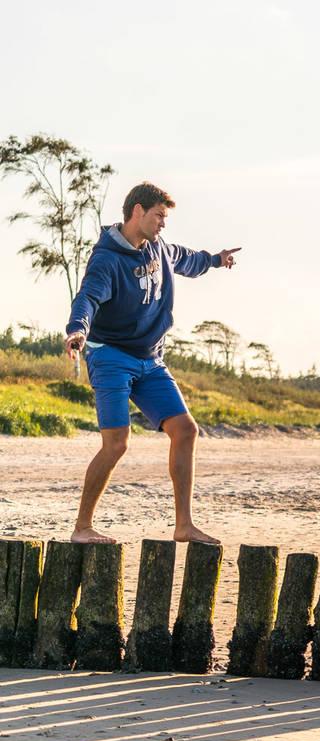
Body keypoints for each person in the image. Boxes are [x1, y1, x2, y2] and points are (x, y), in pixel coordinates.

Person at [64, 182, 240, 545]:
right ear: (137, 212)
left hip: (150, 360)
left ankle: (184, 525)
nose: (163, 223)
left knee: (186, 430)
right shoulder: (107, 258)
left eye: (165, 217)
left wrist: (214, 259)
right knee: (116, 444)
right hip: (110, 356)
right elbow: (88, 298)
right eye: (159, 215)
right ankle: (82, 527)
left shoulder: (158, 247)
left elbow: (187, 258)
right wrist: (76, 330)